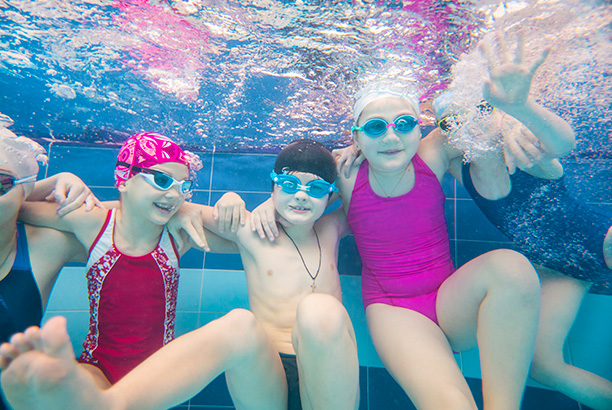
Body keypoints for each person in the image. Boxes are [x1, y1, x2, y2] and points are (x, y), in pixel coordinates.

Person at [0, 138, 359, 410]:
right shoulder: (249, 230)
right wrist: (221, 200)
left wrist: (350, 155)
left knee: (318, 310)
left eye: (315, 189)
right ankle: (104, 404)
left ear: (329, 196)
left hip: (325, 366)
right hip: (264, 368)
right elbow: (22, 208)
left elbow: (364, 198)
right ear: (274, 185)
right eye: (289, 185)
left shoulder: (330, 228)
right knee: (238, 323)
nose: (301, 196)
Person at [0, 132, 253, 410]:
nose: (174, 194)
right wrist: (58, 180)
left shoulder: (177, 234)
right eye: (162, 180)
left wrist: (205, 205)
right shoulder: (93, 223)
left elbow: (245, 242)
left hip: (159, 370)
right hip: (97, 367)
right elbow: (17, 207)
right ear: (124, 178)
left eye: (184, 186)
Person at [433, 33, 612, 410]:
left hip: (603, 242)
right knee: (544, 368)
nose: (469, 128)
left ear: (494, 111)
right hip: (563, 269)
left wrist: (521, 108)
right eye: (453, 123)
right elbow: (403, 164)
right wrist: (353, 145)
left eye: (479, 111)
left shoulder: (522, 148)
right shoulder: (455, 165)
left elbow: (561, 143)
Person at [0, 123, 102, 409]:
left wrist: (183, 210)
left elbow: (125, 229)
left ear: (24, 192)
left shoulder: (44, 247)